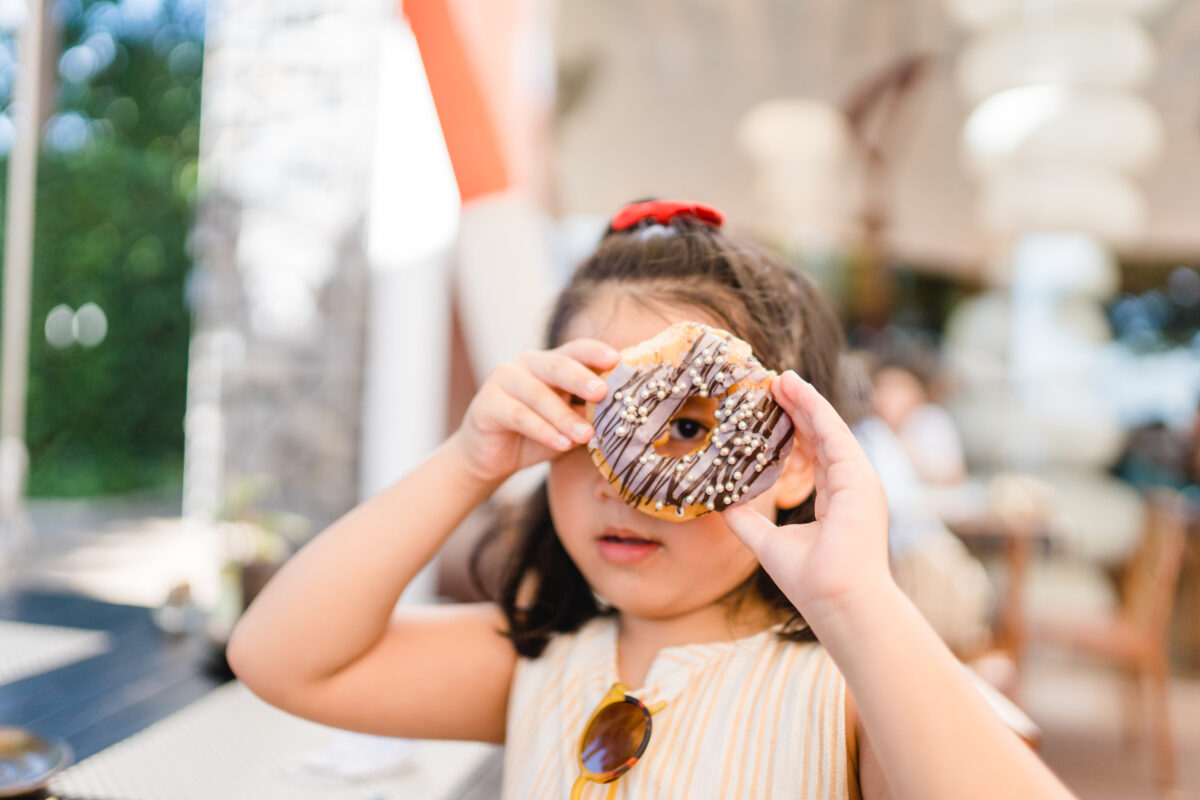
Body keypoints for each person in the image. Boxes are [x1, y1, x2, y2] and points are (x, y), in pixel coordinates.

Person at [227, 200, 1074, 800]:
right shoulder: (536, 663)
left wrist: (856, 602)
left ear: (791, 458)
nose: (616, 476)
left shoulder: (854, 696)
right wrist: (466, 463)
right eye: (583, 419)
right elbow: (278, 659)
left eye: (687, 426)